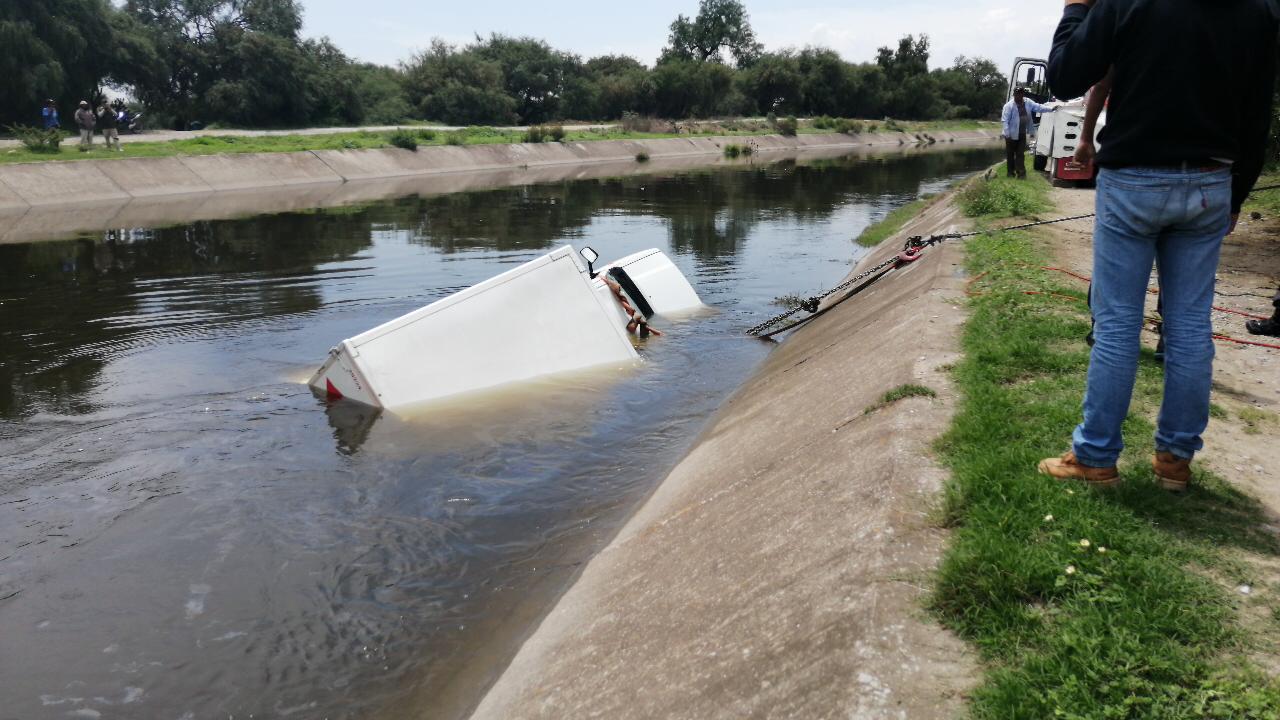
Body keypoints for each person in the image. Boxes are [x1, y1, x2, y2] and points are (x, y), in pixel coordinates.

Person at [1038, 0, 1278, 491]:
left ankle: (1097, 457)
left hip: (1133, 180)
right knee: (1190, 325)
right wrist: (1237, 193)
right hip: (1212, 178)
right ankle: (1174, 460)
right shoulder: (1260, 9)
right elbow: (1256, 113)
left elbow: (1063, 77)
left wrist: (1077, 8)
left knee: (1118, 324)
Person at [1000, 87, 1053, 178]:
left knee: (1020, 154)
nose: (1019, 95)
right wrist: (1007, 134)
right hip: (1010, 134)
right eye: (1017, 93)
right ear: (1014, 95)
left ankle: (1021, 174)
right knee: (1010, 155)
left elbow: (1038, 107)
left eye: (1021, 93)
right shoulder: (1009, 106)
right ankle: (1010, 173)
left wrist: (1051, 109)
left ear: (1023, 94)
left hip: (1022, 133)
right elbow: (1005, 121)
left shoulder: (1028, 102)